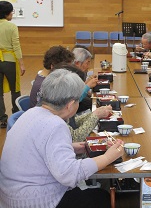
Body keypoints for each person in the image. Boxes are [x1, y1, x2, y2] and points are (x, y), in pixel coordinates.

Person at [0, 69, 124, 208]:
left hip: (11, 198)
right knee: (100, 198)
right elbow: (69, 174)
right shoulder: (55, 125)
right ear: (70, 105)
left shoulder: (31, 113)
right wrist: (108, 157)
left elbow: (38, 149)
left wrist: (71, 147)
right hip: (36, 202)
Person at [0, 1, 26, 128]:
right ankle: (17, 115)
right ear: (7, 13)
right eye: (11, 11)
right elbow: (16, 46)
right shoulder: (11, 26)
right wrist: (21, 63)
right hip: (10, 61)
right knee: (15, 89)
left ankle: (2, 119)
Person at [72, 47, 97, 113]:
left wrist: (86, 83)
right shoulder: (70, 75)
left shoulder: (78, 72)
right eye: (87, 63)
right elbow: (76, 99)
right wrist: (88, 86)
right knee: (92, 103)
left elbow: (78, 89)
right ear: (77, 63)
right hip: (72, 107)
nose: (88, 66)